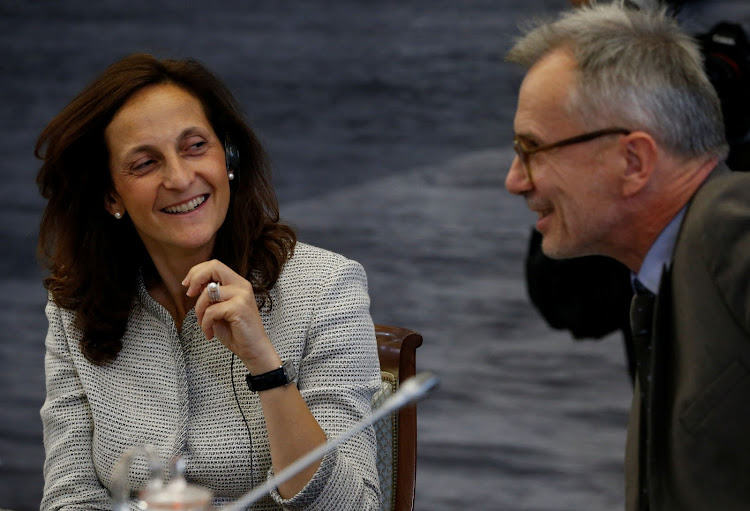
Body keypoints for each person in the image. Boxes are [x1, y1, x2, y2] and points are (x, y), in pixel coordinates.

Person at [35, 53, 381, 511]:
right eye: (144, 163)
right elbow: (69, 496)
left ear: (229, 157)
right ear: (110, 195)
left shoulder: (326, 289)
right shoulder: (75, 308)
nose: (180, 178)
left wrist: (266, 365)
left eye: (195, 145)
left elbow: (352, 507)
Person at [504, 2, 750, 510]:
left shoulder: (733, 228)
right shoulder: (658, 277)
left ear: (634, 161)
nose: (515, 180)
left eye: (532, 149)